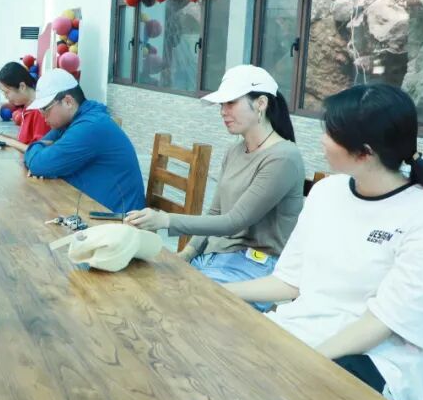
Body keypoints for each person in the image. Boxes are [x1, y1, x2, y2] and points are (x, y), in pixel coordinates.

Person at [225, 83, 423, 400]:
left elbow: (381, 323)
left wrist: (303, 360)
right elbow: (289, 281)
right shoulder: (327, 192)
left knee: (270, 399)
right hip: (302, 334)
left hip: (373, 359)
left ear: (364, 152)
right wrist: (217, 292)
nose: (322, 140)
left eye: (330, 134)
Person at [125, 65, 304, 301]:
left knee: (176, 304)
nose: (223, 112)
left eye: (231, 103)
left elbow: (233, 222)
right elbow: (215, 212)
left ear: (261, 103)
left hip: (253, 266)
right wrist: (187, 253)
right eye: (222, 105)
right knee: (142, 288)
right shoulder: (235, 151)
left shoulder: (283, 158)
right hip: (214, 257)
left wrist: (164, 220)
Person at [23, 68, 145, 213]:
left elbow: (38, 163)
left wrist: (38, 154)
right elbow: (41, 156)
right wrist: (40, 156)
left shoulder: (90, 126)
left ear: (68, 102)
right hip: (92, 207)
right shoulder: (74, 120)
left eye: (45, 109)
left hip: (117, 218)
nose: (43, 116)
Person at [0, 61, 51, 153]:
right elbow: (25, 140)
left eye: (7, 92)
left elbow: (38, 150)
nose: (6, 96)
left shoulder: (39, 111)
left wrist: (6, 141)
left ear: (22, 86)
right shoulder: (28, 107)